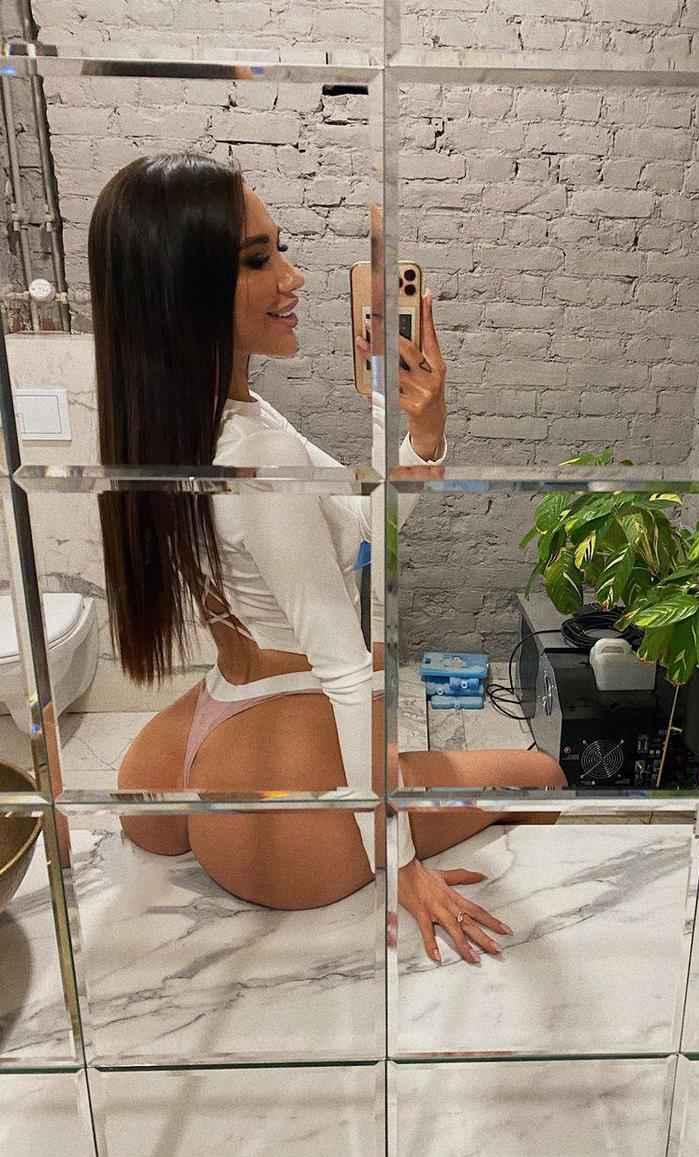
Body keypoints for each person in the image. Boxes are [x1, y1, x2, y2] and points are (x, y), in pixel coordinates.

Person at [91, 151, 565, 966]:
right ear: (182, 290)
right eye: (258, 260)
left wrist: (420, 434)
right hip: (284, 762)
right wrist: (402, 862)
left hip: (191, 737)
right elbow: (346, 671)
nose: (295, 278)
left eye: (281, 249)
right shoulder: (258, 450)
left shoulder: (182, 420)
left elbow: (362, 525)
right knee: (543, 776)